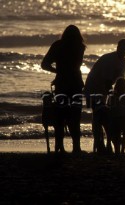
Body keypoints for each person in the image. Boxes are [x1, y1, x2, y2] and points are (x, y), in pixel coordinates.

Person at [41, 25, 86, 154]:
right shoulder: (80, 47)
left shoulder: (58, 45)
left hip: (62, 85)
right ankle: (76, 148)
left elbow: (44, 64)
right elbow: (75, 66)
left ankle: (59, 147)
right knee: (75, 117)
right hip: (76, 84)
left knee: (60, 117)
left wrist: (57, 71)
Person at [83, 39, 125, 153]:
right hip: (93, 88)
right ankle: (100, 144)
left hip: (103, 90)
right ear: (118, 47)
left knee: (105, 115)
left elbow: (120, 80)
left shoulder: (123, 61)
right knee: (98, 115)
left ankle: (106, 144)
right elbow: (107, 82)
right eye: (123, 49)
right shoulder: (109, 59)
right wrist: (113, 97)